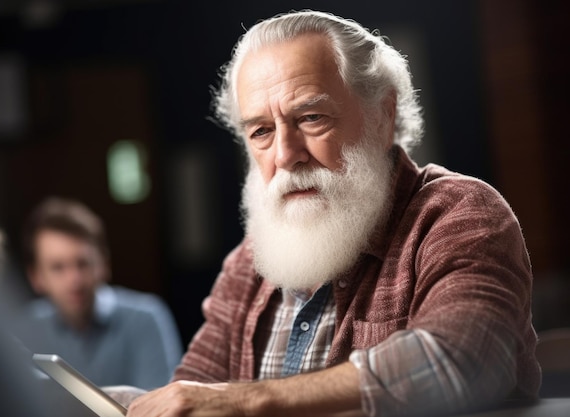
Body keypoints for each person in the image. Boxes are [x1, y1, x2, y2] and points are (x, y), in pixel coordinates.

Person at [123, 10, 541, 417]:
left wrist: (248, 400)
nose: (286, 155)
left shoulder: (457, 213)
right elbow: (197, 391)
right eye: (262, 131)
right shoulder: (249, 260)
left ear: (383, 113)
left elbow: (461, 359)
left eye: (310, 118)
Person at [13, 197, 183, 390]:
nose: (74, 280)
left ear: (104, 264)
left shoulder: (146, 317)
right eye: (58, 267)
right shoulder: (24, 328)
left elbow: (161, 408)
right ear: (36, 277)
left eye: (83, 263)